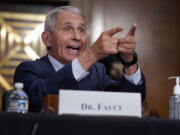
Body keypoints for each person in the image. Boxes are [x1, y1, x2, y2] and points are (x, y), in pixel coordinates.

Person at [14, 6, 146, 112]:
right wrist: (91, 55)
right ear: (47, 39)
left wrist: (129, 62)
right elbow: (37, 99)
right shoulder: (28, 70)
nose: (77, 36)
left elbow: (129, 101)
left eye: (81, 30)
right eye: (67, 28)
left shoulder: (97, 71)